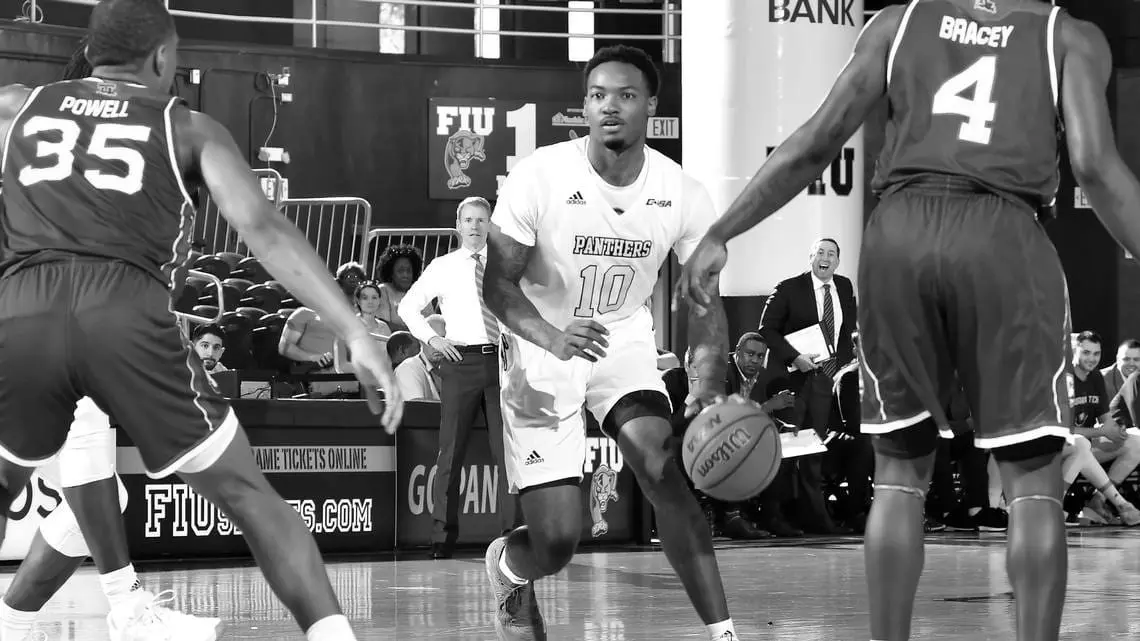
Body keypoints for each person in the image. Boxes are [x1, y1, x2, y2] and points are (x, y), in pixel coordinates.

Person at [679, 2, 1140, 640]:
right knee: (1035, 484)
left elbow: (817, 140)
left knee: (898, 478)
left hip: (900, 235)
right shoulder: (1070, 35)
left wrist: (723, 230)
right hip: (1005, 233)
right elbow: (1094, 166)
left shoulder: (896, 23)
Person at [0, 3, 403, 641]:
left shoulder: (16, 105)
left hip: (23, 306)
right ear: (163, 57)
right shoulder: (189, 128)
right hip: (124, 307)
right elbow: (263, 228)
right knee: (247, 494)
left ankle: (85, 609)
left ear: (91, 51)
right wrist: (355, 330)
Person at [482, 45, 737, 641]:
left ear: (652, 105)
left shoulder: (682, 191)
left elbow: (705, 301)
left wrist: (706, 383)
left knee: (662, 467)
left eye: (625, 95)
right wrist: (552, 337)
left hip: (620, 334)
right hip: (541, 340)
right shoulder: (541, 175)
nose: (610, 107)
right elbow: (497, 284)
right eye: (598, 96)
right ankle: (510, 566)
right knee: (558, 540)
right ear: (585, 107)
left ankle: (724, 633)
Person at [0, 36, 218, 641]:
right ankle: (126, 604)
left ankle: (13, 621)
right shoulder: (45, 133)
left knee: (98, 493)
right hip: (38, 315)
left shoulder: (51, 134)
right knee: (86, 446)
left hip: (48, 315)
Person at [398, 196, 519, 558]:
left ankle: (512, 537)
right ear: (458, 225)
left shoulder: (509, 264)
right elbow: (407, 307)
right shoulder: (444, 266)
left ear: (490, 225)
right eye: (468, 220)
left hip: (503, 363)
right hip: (461, 362)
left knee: (508, 455)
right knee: (450, 454)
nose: (475, 226)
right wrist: (433, 339)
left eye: (481, 220)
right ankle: (442, 538)